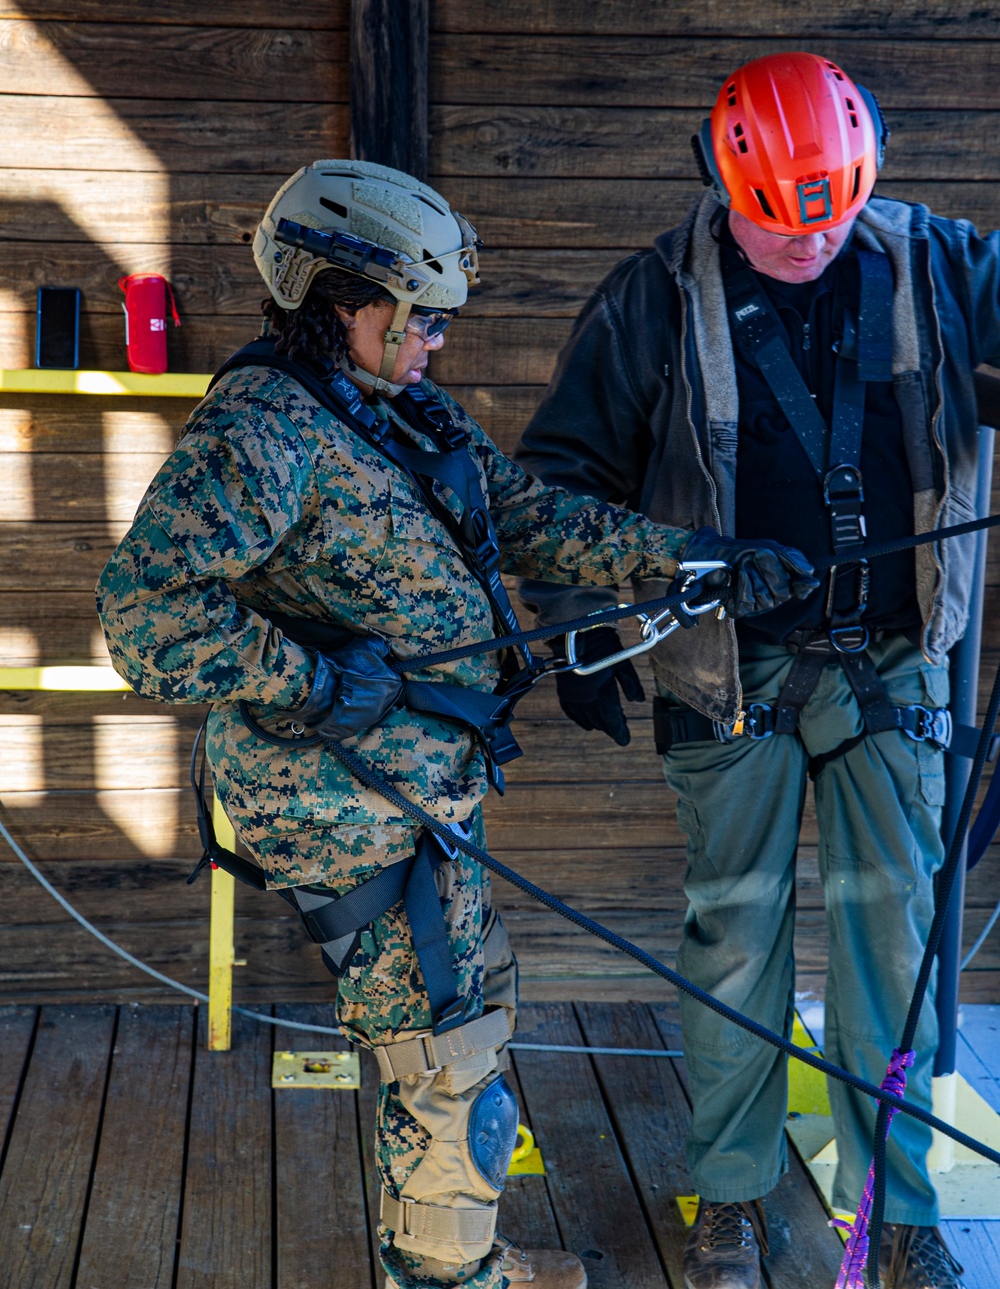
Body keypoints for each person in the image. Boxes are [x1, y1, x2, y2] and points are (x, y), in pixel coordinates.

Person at [95, 159, 812, 1289]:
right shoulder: (266, 433)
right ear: (343, 301)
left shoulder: (397, 410)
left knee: (468, 1020)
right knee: (446, 1063)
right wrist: (314, 680)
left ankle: (457, 1256)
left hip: (422, 795)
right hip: (350, 807)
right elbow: (143, 616)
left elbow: (528, 515)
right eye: (419, 316)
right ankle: (445, 1279)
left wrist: (692, 560)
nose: (435, 338)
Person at [514, 52, 996, 1289]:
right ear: (719, 178)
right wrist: (576, 624)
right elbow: (560, 477)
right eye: (778, 228)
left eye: (829, 219)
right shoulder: (651, 301)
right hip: (727, 673)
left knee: (896, 944)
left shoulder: (940, 266)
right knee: (733, 941)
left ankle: (896, 1215)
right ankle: (727, 1198)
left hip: (895, 665)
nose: (807, 246)